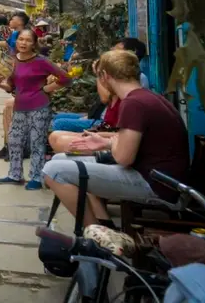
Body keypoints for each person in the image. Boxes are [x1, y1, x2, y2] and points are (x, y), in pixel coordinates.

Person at [42, 49, 189, 228]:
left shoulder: (133, 103)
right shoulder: (147, 97)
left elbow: (123, 158)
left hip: (155, 184)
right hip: (161, 178)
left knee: (53, 170)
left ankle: (97, 236)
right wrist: (106, 142)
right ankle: (102, 224)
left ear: (104, 76)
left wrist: (109, 145)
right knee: (60, 159)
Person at [0, 29, 70, 190]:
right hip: (20, 106)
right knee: (14, 139)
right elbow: (11, 86)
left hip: (39, 107)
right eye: (21, 39)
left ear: (34, 43)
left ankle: (36, 177)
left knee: (37, 142)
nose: (23, 43)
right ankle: (15, 175)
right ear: (16, 41)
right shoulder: (12, 61)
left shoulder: (42, 61)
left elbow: (65, 78)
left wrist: (47, 89)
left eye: (28, 40)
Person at [0, 11, 30, 160]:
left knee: (14, 114)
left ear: (20, 21)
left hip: (21, 77)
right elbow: (6, 45)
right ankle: (8, 146)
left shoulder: (24, 36)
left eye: (13, 18)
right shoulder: (14, 34)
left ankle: (17, 147)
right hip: (15, 75)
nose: (10, 20)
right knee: (8, 113)